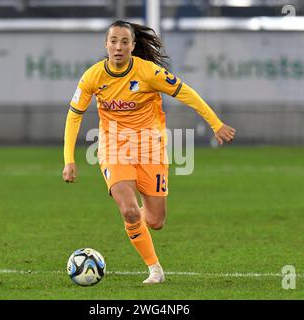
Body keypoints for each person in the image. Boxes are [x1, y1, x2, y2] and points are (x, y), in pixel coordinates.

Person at [63, 20, 236, 284]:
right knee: (130, 212)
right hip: (113, 149)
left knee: (155, 221)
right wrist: (69, 160)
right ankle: (154, 268)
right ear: (105, 44)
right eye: (113, 41)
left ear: (133, 46)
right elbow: (74, 115)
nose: (118, 47)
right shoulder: (93, 76)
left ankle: (135, 218)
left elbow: (186, 93)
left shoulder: (149, 73)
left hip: (150, 149)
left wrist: (216, 123)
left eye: (124, 42)